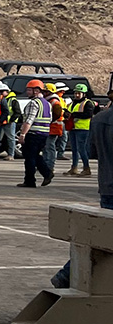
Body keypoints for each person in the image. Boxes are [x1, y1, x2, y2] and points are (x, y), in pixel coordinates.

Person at [51, 83, 113, 288]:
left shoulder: (100, 119)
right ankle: (66, 275)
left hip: (107, 185)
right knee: (104, 238)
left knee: (103, 235)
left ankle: (66, 275)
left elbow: (92, 152)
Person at [17, 79, 54, 188]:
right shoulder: (47, 104)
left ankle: (30, 181)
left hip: (33, 134)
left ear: (36, 91)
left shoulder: (33, 103)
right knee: (35, 155)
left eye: (29, 90)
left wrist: (22, 134)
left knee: (29, 158)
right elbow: (50, 118)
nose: (27, 92)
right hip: (44, 134)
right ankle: (47, 173)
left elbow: (29, 120)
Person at [65, 83, 95, 176]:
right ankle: (74, 168)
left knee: (81, 149)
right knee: (74, 149)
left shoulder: (88, 103)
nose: (77, 95)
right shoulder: (72, 103)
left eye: (79, 93)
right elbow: (68, 112)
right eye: (76, 93)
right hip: (73, 128)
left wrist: (74, 115)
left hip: (83, 129)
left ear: (84, 94)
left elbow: (88, 114)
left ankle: (86, 168)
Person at [43, 83, 65, 172]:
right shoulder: (49, 100)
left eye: (45, 91)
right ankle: (45, 164)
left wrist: (49, 121)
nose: (43, 93)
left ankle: (50, 166)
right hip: (50, 127)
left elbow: (57, 114)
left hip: (54, 127)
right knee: (46, 147)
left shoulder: (54, 101)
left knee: (50, 147)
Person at [0, 84, 22, 160]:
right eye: (0, 92)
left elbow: (17, 112)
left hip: (9, 123)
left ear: (7, 91)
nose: (1, 93)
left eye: (2, 91)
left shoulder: (13, 100)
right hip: (1, 122)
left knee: (11, 138)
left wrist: (11, 120)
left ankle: (11, 155)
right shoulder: (0, 100)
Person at [55, 82, 70, 160]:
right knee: (54, 139)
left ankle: (60, 153)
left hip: (62, 121)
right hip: (56, 122)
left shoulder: (62, 99)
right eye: (61, 91)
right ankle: (53, 154)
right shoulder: (55, 99)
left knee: (63, 138)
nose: (63, 92)